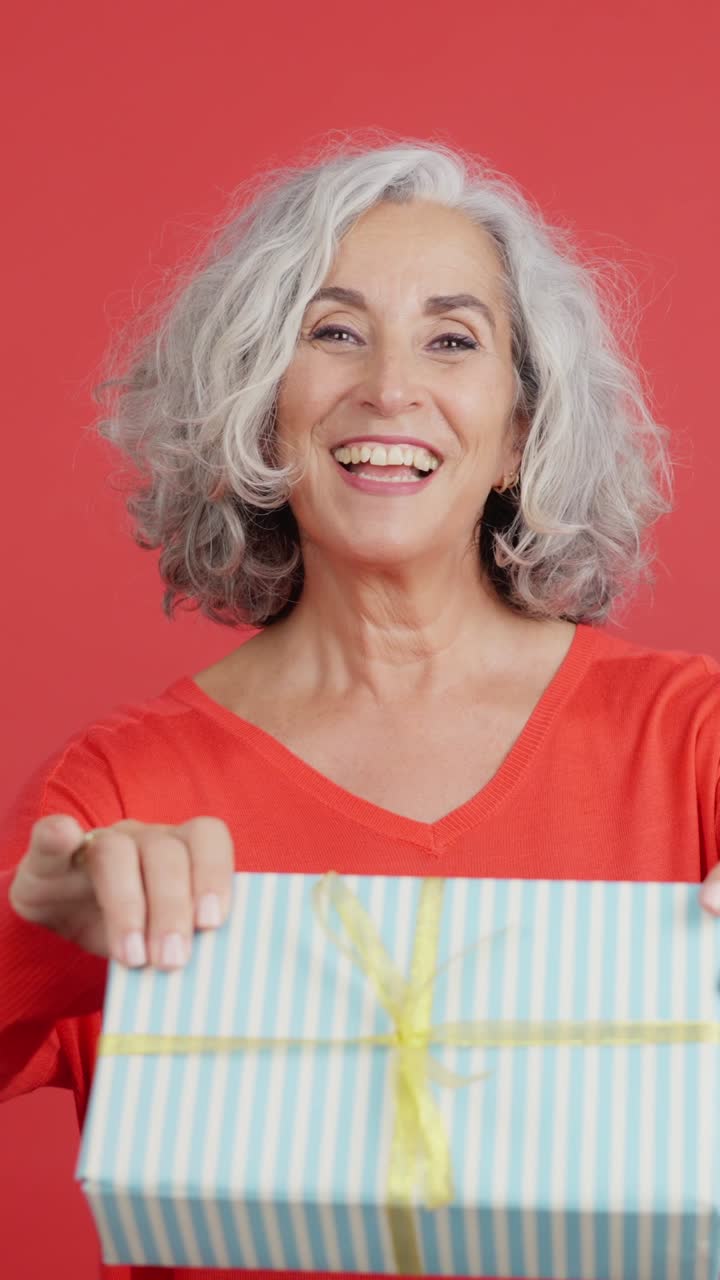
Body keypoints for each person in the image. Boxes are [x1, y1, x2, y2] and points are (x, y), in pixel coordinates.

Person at [3, 135, 720, 1280]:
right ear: (256, 402)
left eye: (452, 338)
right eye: (333, 332)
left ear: (521, 431)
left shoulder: (694, 741)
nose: (391, 387)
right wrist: (38, 940)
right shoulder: (116, 795)